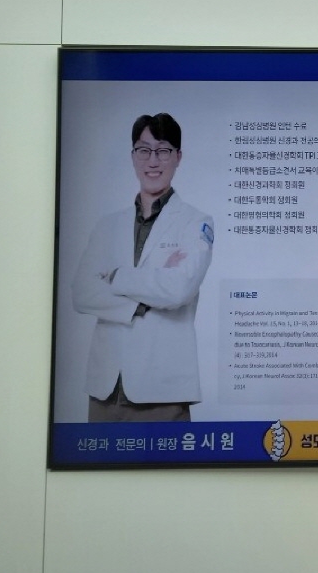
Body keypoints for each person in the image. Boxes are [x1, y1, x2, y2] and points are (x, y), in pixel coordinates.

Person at [73, 113, 214, 422]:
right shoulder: (107, 225)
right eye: (143, 150)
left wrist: (115, 276)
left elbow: (179, 289)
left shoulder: (196, 222)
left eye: (163, 150)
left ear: (178, 157)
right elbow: (81, 293)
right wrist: (142, 301)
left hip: (161, 390)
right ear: (132, 156)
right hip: (105, 390)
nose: (153, 160)